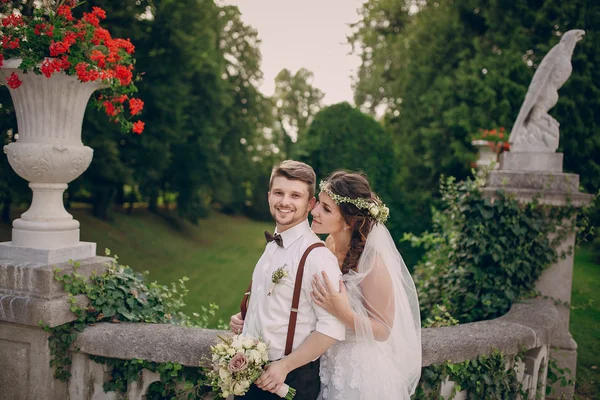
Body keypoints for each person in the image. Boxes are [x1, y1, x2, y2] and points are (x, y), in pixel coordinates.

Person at [230, 160, 345, 400]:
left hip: (287, 383)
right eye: (279, 193)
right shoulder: (272, 245)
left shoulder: (317, 257)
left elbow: (332, 328)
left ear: (310, 203)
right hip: (251, 376)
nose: (285, 202)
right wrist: (247, 319)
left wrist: (284, 366)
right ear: (269, 196)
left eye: (295, 195)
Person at [310, 170, 421, 400]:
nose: (314, 211)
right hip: (325, 359)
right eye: (319, 203)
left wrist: (343, 313)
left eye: (326, 209)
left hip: (358, 371)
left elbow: (383, 330)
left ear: (349, 222)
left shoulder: (372, 264)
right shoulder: (329, 243)